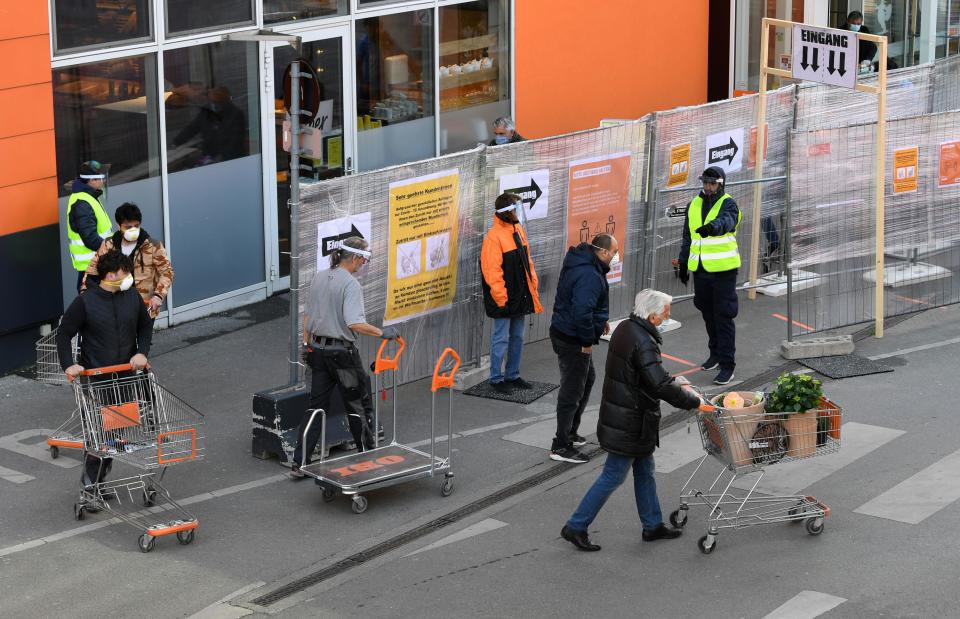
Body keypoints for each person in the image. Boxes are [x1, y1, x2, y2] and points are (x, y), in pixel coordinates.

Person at [560, 289, 701, 552]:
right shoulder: (644, 340)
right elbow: (657, 382)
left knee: (645, 470)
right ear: (651, 316)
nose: (667, 318)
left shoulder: (626, 328)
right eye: (665, 314)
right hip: (631, 421)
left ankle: (653, 525)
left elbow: (648, 373)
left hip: (623, 415)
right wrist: (693, 402)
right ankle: (576, 526)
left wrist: (674, 382)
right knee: (613, 475)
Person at [290, 236, 397, 478]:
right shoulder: (350, 285)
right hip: (341, 355)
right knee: (358, 405)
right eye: (365, 259)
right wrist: (382, 333)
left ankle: (300, 463)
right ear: (356, 258)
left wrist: (307, 345)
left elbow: (307, 317)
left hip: (317, 351)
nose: (364, 265)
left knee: (315, 408)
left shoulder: (319, 277)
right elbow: (355, 323)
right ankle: (367, 456)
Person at [57, 250, 153, 491]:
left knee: (116, 432)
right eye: (125, 273)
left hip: (125, 376)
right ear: (110, 275)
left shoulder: (130, 296)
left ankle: (99, 480)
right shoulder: (86, 302)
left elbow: (145, 326)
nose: (129, 277)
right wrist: (69, 364)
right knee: (99, 433)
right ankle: (90, 485)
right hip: (97, 378)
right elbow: (64, 332)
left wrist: (142, 352)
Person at [548, 234, 618, 464]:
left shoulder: (584, 263)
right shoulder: (589, 273)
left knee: (586, 380)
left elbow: (587, 305)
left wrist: (600, 322)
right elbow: (581, 312)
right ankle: (561, 445)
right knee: (573, 389)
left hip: (566, 332)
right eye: (614, 253)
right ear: (604, 252)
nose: (616, 257)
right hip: (573, 338)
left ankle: (569, 432)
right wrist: (587, 342)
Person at [676, 166, 742, 386]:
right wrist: (683, 264)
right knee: (707, 312)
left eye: (712, 183)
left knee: (723, 316)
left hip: (723, 270)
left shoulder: (729, 203)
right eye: (705, 182)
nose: (707, 187)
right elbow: (688, 237)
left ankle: (727, 365)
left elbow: (728, 222)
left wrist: (712, 228)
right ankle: (715, 354)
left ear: (720, 184)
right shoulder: (694, 204)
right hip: (702, 270)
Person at [480, 192, 542, 394]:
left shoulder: (518, 230)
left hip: (520, 295)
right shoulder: (493, 237)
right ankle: (496, 378)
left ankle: (513, 374)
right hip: (505, 298)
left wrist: (533, 283)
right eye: (515, 209)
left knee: (517, 336)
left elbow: (528, 261)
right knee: (501, 338)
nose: (519, 213)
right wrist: (501, 299)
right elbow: (492, 272)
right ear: (507, 213)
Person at [83, 202, 174, 320]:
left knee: (143, 339)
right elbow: (92, 270)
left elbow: (167, 272)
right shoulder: (108, 244)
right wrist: (84, 292)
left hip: (145, 308)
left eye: (136, 226)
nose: (133, 230)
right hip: (114, 308)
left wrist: (158, 296)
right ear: (119, 225)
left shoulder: (153, 246)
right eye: (128, 227)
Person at [66, 160, 113, 292]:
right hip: (93, 269)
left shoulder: (89, 197)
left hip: (98, 265)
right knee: (95, 309)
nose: (104, 181)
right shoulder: (82, 203)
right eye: (101, 177)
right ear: (91, 181)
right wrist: (112, 254)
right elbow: (91, 239)